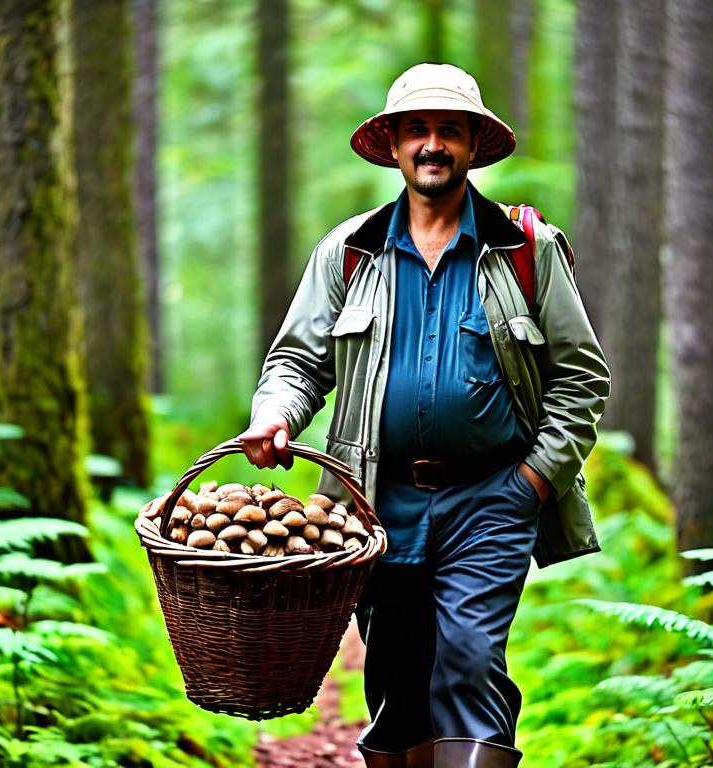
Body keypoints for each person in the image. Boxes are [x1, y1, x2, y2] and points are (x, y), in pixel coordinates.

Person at [239, 63, 610, 768]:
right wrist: (275, 414)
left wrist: (533, 480)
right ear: (394, 146)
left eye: (449, 131)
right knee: (397, 682)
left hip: (493, 497)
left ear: (473, 146)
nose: (432, 144)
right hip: (375, 503)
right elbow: (297, 362)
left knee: (469, 659)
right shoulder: (349, 253)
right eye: (417, 131)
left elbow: (582, 377)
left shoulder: (526, 251)